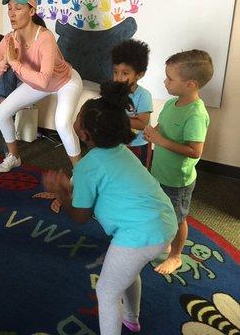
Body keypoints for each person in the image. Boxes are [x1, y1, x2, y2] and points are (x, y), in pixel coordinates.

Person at [43, 81, 177, 335]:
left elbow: (80, 216)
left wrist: (61, 192)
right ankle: (131, 318)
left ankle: (124, 321)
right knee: (128, 273)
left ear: (84, 134)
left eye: (78, 117)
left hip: (139, 235)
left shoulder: (86, 167)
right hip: (164, 221)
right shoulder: (122, 151)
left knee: (106, 291)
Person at [0, 0, 83, 172]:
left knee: (62, 123)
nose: (12, 13)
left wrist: (14, 63)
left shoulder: (45, 37)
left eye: (18, 8)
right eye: (10, 8)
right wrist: (4, 62)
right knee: (2, 112)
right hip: (35, 83)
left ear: (31, 11)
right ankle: (13, 156)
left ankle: (79, 171)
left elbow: (44, 80)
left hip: (65, 82)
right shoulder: (8, 40)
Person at [144, 50, 213, 275]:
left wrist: (160, 140)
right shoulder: (172, 103)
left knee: (178, 218)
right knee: (161, 209)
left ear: (190, 84)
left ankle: (176, 256)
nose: (165, 82)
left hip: (177, 180)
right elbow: (163, 129)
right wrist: (154, 132)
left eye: (170, 78)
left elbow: (195, 151)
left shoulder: (195, 114)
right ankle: (164, 240)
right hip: (159, 172)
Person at [112, 39, 153, 168]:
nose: (118, 78)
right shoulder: (114, 92)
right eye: (115, 72)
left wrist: (115, 118)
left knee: (138, 175)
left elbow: (142, 123)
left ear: (139, 75)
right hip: (118, 143)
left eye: (125, 73)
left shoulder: (144, 95)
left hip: (138, 145)